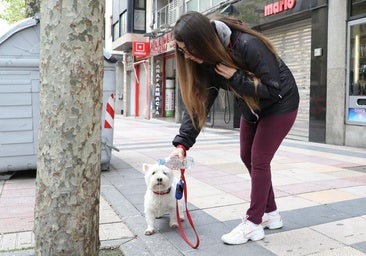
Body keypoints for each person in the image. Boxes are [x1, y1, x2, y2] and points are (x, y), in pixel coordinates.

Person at [169, 11, 299, 245]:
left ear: (203, 41)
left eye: (188, 49)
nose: (186, 56)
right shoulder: (204, 61)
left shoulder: (248, 45)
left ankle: (253, 223)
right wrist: (182, 144)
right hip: (251, 105)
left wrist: (236, 76)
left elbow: (273, 89)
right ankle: (271, 214)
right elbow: (200, 105)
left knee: (259, 159)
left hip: (281, 103)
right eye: (181, 50)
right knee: (246, 155)